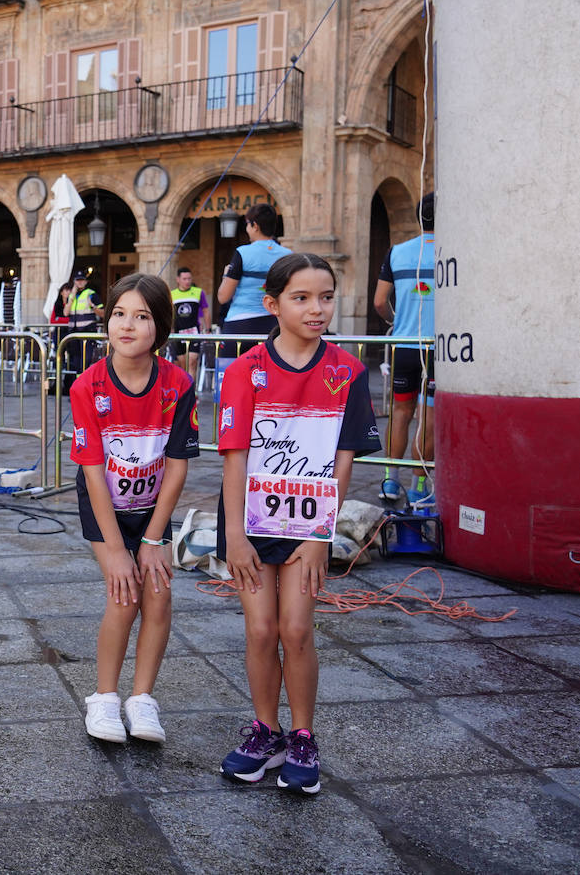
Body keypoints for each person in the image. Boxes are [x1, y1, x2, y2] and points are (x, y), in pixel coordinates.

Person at [216, 253, 381, 796]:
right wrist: (236, 535)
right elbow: (235, 457)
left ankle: (303, 735)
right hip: (252, 520)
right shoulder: (244, 371)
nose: (317, 308)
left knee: (297, 630)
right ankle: (267, 731)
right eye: (302, 297)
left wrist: (320, 534)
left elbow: (344, 461)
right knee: (260, 630)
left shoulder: (347, 371)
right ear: (273, 304)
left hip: (309, 521)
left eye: (326, 297)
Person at [71, 273, 199, 744]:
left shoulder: (177, 384)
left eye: (142, 316)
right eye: (119, 314)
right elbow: (91, 474)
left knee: (160, 597)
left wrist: (152, 539)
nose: (127, 325)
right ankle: (103, 699)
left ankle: (141, 700)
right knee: (123, 594)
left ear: (160, 328)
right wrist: (118, 549)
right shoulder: (88, 386)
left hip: (153, 508)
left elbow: (178, 467)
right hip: (104, 504)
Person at [374, 192, 436, 508]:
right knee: (429, 416)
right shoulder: (453, 251)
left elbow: (379, 302)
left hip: (404, 346)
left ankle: (390, 480)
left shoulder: (397, 252)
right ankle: (418, 486)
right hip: (439, 350)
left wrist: (397, 322)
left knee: (400, 414)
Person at [215, 203, 291, 395]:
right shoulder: (287, 256)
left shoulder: (243, 252)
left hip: (239, 326)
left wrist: (226, 276)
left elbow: (223, 297)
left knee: (231, 388)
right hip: (273, 326)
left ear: (254, 225)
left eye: (247, 224)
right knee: (271, 389)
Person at [168, 266, 210, 376]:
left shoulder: (198, 292)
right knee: (182, 364)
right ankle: (184, 390)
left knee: (192, 361)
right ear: (178, 279)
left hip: (194, 332)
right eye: (184, 279)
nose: (187, 281)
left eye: (189, 279)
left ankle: (191, 391)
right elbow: (169, 314)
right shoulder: (172, 294)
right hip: (178, 333)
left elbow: (205, 311)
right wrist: (170, 328)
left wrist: (208, 329)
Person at [64, 270, 104, 382]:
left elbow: (103, 313)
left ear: (86, 282)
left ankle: (84, 384)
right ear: (74, 281)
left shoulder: (91, 294)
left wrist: (92, 307)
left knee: (85, 360)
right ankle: (77, 384)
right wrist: (71, 297)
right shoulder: (71, 296)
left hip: (87, 331)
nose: (80, 282)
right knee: (75, 361)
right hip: (73, 333)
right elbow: (66, 313)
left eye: (82, 280)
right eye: (78, 280)